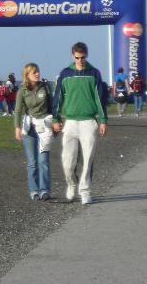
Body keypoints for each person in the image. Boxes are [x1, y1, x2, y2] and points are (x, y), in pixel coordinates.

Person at [52, 42, 107, 205]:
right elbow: (58, 97)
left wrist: (103, 120)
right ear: (72, 56)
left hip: (89, 121)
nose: (80, 60)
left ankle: (85, 191)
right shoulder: (65, 73)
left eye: (83, 57)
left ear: (87, 56)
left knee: (88, 158)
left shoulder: (94, 73)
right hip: (70, 122)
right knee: (67, 160)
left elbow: (100, 99)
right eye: (77, 58)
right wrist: (55, 118)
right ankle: (71, 184)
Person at [14, 63, 54, 201]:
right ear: (27, 75)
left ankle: (45, 190)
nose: (37, 74)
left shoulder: (45, 87)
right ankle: (34, 190)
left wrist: (55, 122)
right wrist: (17, 128)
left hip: (44, 126)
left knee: (43, 160)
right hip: (29, 128)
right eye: (34, 72)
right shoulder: (22, 91)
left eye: (38, 71)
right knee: (32, 161)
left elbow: (52, 106)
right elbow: (18, 111)